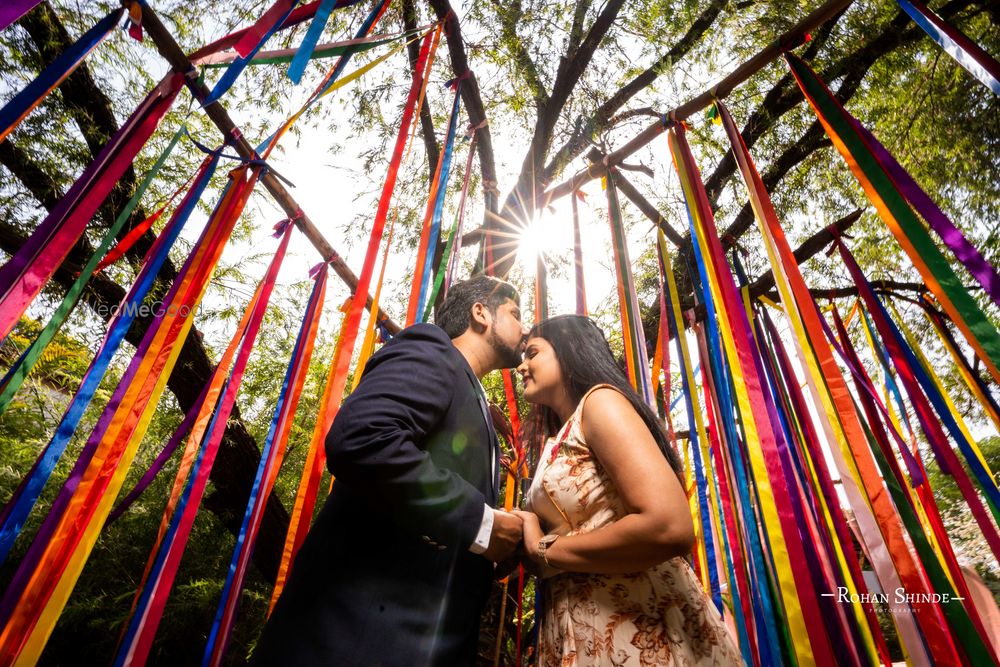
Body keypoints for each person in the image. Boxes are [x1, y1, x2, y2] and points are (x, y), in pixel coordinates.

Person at [253, 276, 529, 666]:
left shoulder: (477, 404)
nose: (525, 327)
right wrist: (484, 525)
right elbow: (364, 438)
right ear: (480, 313)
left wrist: (491, 546)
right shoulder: (432, 351)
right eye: (516, 314)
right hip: (353, 643)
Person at [512, 315, 743, 666]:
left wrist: (542, 548)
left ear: (568, 350)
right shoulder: (556, 440)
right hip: (581, 627)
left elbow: (668, 526)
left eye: (532, 353)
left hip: (639, 624)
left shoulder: (601, 403)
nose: (521, 366)